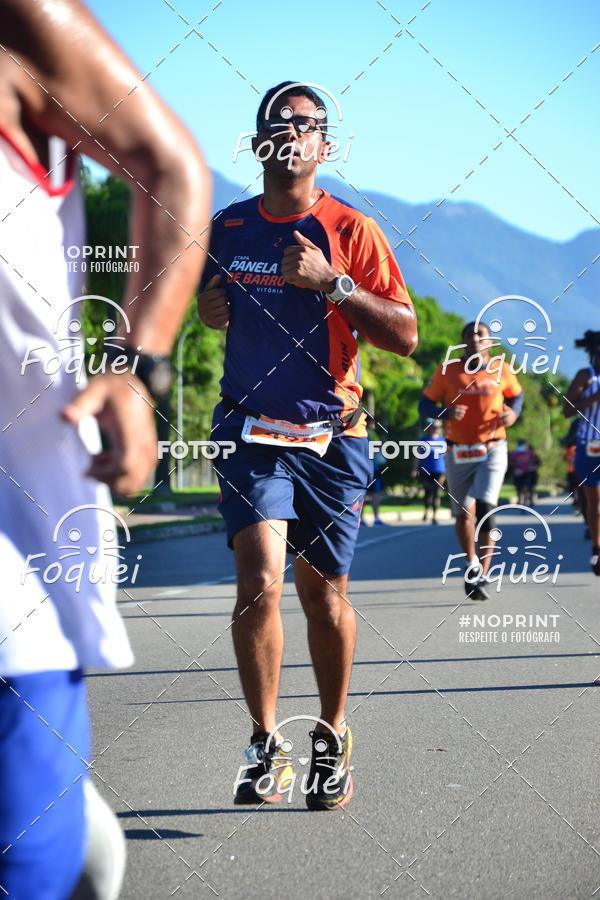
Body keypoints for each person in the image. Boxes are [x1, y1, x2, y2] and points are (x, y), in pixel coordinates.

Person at [0, 0, 211, 896]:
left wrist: (136, 368)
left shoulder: (23, 20)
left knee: (24, 859)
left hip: (15, 508)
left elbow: (170, 165)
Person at [198, 81, 417, 810]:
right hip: (248, 429)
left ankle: (331, 734)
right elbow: (203, 306)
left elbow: (406, 336)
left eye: (309, 123)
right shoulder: (226, 227)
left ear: (326, 145)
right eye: (279, 122)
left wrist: (336, 285)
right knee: (260, 578)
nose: (293, 132)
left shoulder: (350, 230)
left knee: (324, 599)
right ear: (258, 142)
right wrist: (206, 308)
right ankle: (265, 744)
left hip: (332, 435)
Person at [419, 321, 523, 600]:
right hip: (457, 450)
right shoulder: (447, 370)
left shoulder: (502, 369)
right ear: (463, 342)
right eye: (470, 335)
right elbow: (425, 404)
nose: (475, 338)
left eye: (481, 335)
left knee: (487, 505)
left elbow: (517, 396)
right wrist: (445, 413)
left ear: (489, 342)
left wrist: (512, 414)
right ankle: (472, 563)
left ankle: (483, 575)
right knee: (463, 512)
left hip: (493, 446)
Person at [563, 330, 600, 574]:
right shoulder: (585, 377)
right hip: (590, 446)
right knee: (595, 502)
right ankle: (597, 548)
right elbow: (566, 410)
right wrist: (593, 398)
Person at [411, 419, 446, 524]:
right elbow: (416, 456)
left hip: (440, 470)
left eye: (439, 427)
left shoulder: (443, 440)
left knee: (436, 493)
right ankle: (426, 512)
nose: (436, 429)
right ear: (429, 427)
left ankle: (434, 516)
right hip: (425, 470)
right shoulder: (423, 440)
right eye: (434, 426)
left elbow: (447, 456)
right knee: (427, 493)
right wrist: (414, 469)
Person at [508, 440, 538, 506]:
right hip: (518, 473)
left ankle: (529, 500)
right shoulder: (515, 454)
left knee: (528, 486)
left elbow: (534, 460)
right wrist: (517, 466)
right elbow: (510, 463)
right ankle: (519, 499)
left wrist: (530, 465)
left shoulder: (529, 453)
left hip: (527, 472)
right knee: (518, 487)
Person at [363, 448, 386, 525]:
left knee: (365, 494)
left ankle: (374, 518)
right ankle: (374, 518)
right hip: (370, 468)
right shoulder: (372, 436)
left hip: (366, 468)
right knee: (372, 495)